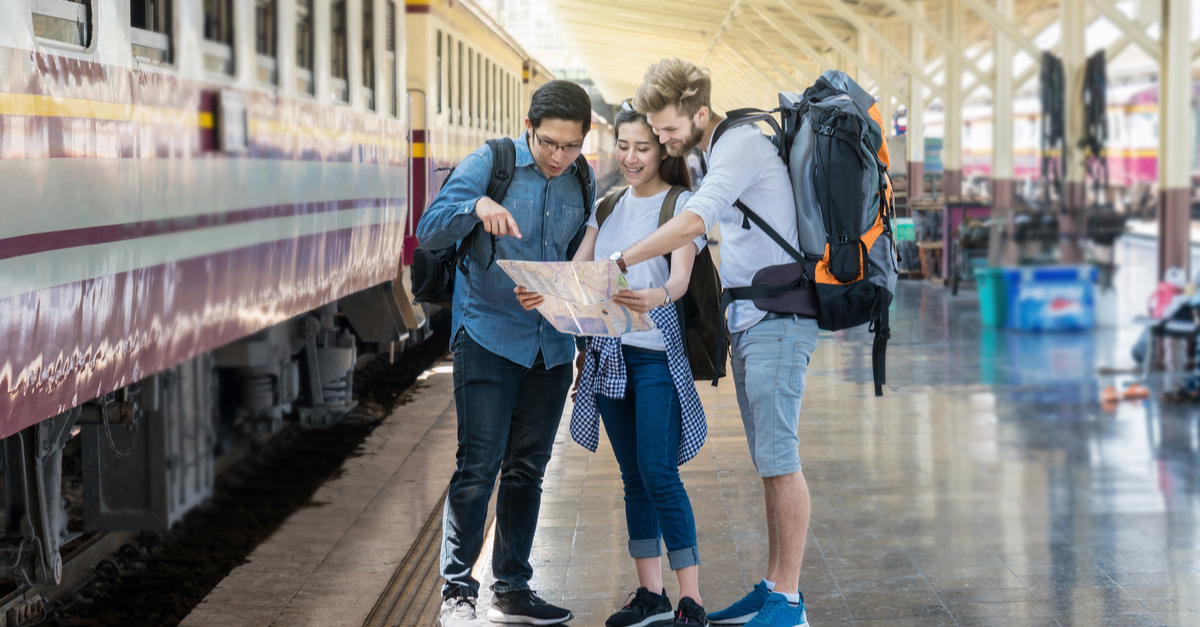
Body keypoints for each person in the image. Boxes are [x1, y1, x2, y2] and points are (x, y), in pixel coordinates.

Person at [612, 58, 815, 627]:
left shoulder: (739, 146)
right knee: (768, 462)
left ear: (701, 112)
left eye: (670, 129)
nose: (664, 140)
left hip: (778, 317)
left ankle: (791, 602)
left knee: (781, 460)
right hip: (754, 317)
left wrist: (621, 260)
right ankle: (774, 584)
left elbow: (694, 223)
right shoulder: (718, 147)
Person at [516, 103, 709, 627]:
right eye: (622, 146)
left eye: (641, 148)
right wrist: (545, 291)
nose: (629, 157)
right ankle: (652, 595)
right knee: (632, 478)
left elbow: (680, 282)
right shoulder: (607, 206)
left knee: (659, 473)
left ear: (664, 150)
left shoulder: (681, 204)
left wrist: (656, 295)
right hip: (608, 356)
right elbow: (580, 271)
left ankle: (690, 599)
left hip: (655, 360)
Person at [416, 79, 597, 627]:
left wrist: (578, 322)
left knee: (528, 470)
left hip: (551, 343)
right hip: (488, 335)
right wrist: (476, 203)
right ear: (528, 128)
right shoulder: (490, 162)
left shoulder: (581, 178)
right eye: (548, 144)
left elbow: (576, 262)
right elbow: (428, 230)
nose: (558, 157)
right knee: (478, 467)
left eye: (570, 147)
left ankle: (512, 588)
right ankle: (456, 591)